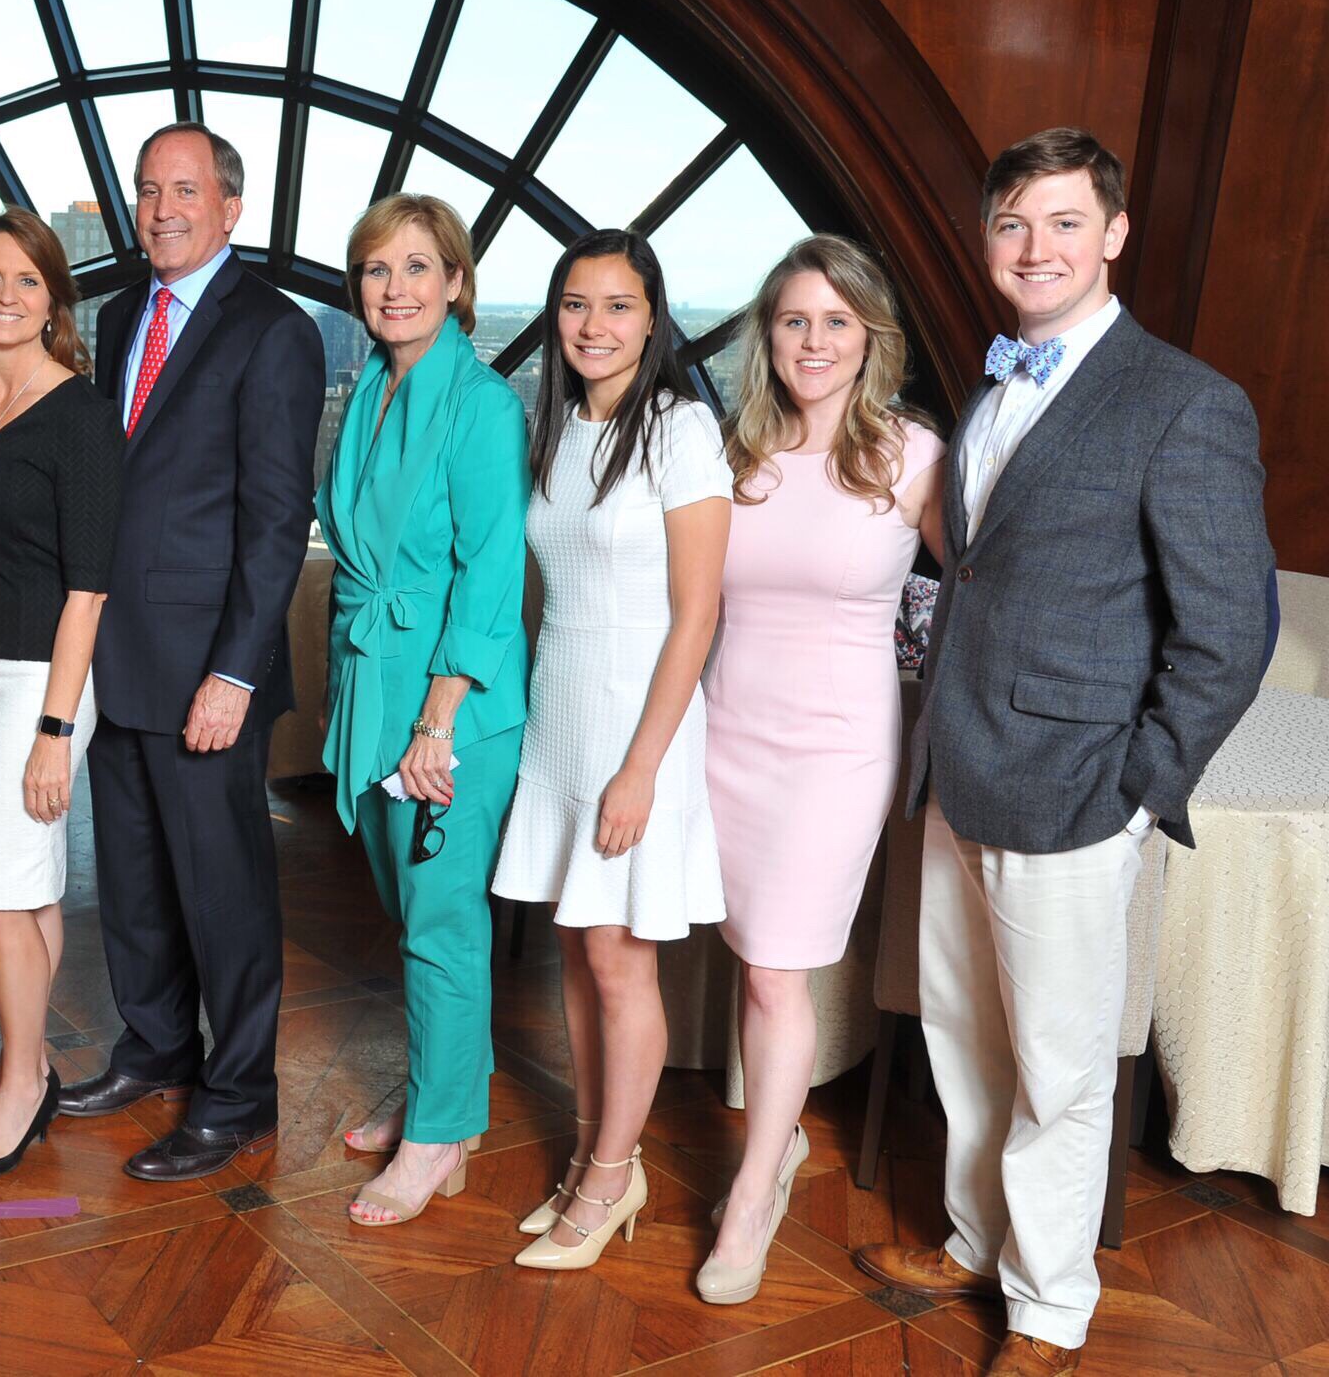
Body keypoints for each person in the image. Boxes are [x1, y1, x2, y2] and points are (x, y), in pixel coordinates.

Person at [853, 129, 1271, 1377]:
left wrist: (1140, 790)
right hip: (959, 770)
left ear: (1113, 234)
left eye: (1062, 223)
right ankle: (976, 1237)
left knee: (1060, 1066)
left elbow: (1226, 632)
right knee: (961, 1032)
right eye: (1011, 226)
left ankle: (1045, 1311)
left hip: (1078, 791)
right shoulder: (992, 386)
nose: (1034, 249)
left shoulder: (1184, 400)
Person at [56, 122, 322, 1182]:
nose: (161, 209)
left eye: (184, 190)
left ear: (229, 209)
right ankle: (155, 1044)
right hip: (120, 659)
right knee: (130, 879)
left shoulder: (273, 331)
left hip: (209, 670)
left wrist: (236, 671)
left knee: (223, 889)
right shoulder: (122, 312)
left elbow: (273, 520)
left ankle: (239, 1091)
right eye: (147, 189)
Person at [697, 235, 943, 1301]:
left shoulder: (913, 456)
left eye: (835, 320)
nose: (812, 339)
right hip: (723, 730)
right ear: (767, 334)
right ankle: (781, 1141)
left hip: (835, 748)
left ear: (867, 337)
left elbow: (978, 588)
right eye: (793, 318)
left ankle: (755, 1187)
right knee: (740, 950)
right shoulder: (729, 450)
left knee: (774, 965)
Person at [491, 229, 731, 1265]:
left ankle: (606, 1179)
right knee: (575, 952)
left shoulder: (678, 429)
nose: (593, 325)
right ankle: (602, 1152)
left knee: (616, 959)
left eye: (618, 306)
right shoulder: (552, 426)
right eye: (575, 304)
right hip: (561, 713)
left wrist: (640, 763)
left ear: (652, 317)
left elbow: (696, 615)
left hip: (642, 721)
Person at [320, 194, 531, 1228]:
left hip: (446, 713)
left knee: (440, 923)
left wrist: (436, 721)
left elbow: (488, 577)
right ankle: (443, 1094)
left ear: (455, 280)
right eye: (375, 269)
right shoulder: (370, 387)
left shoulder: (481, 403)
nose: (394, 287)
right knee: (412, 917)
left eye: (415, 267)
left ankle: (438, 1135)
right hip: (375, 693)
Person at [0, 209, 121, 1182]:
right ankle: (30, 1067)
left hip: (35, 684)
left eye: (26, 280)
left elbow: (88, 587)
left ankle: (16, 1088)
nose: (5, 294)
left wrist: (53, 727)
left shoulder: (79, 414)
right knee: (23, 886)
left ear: (54, 298)